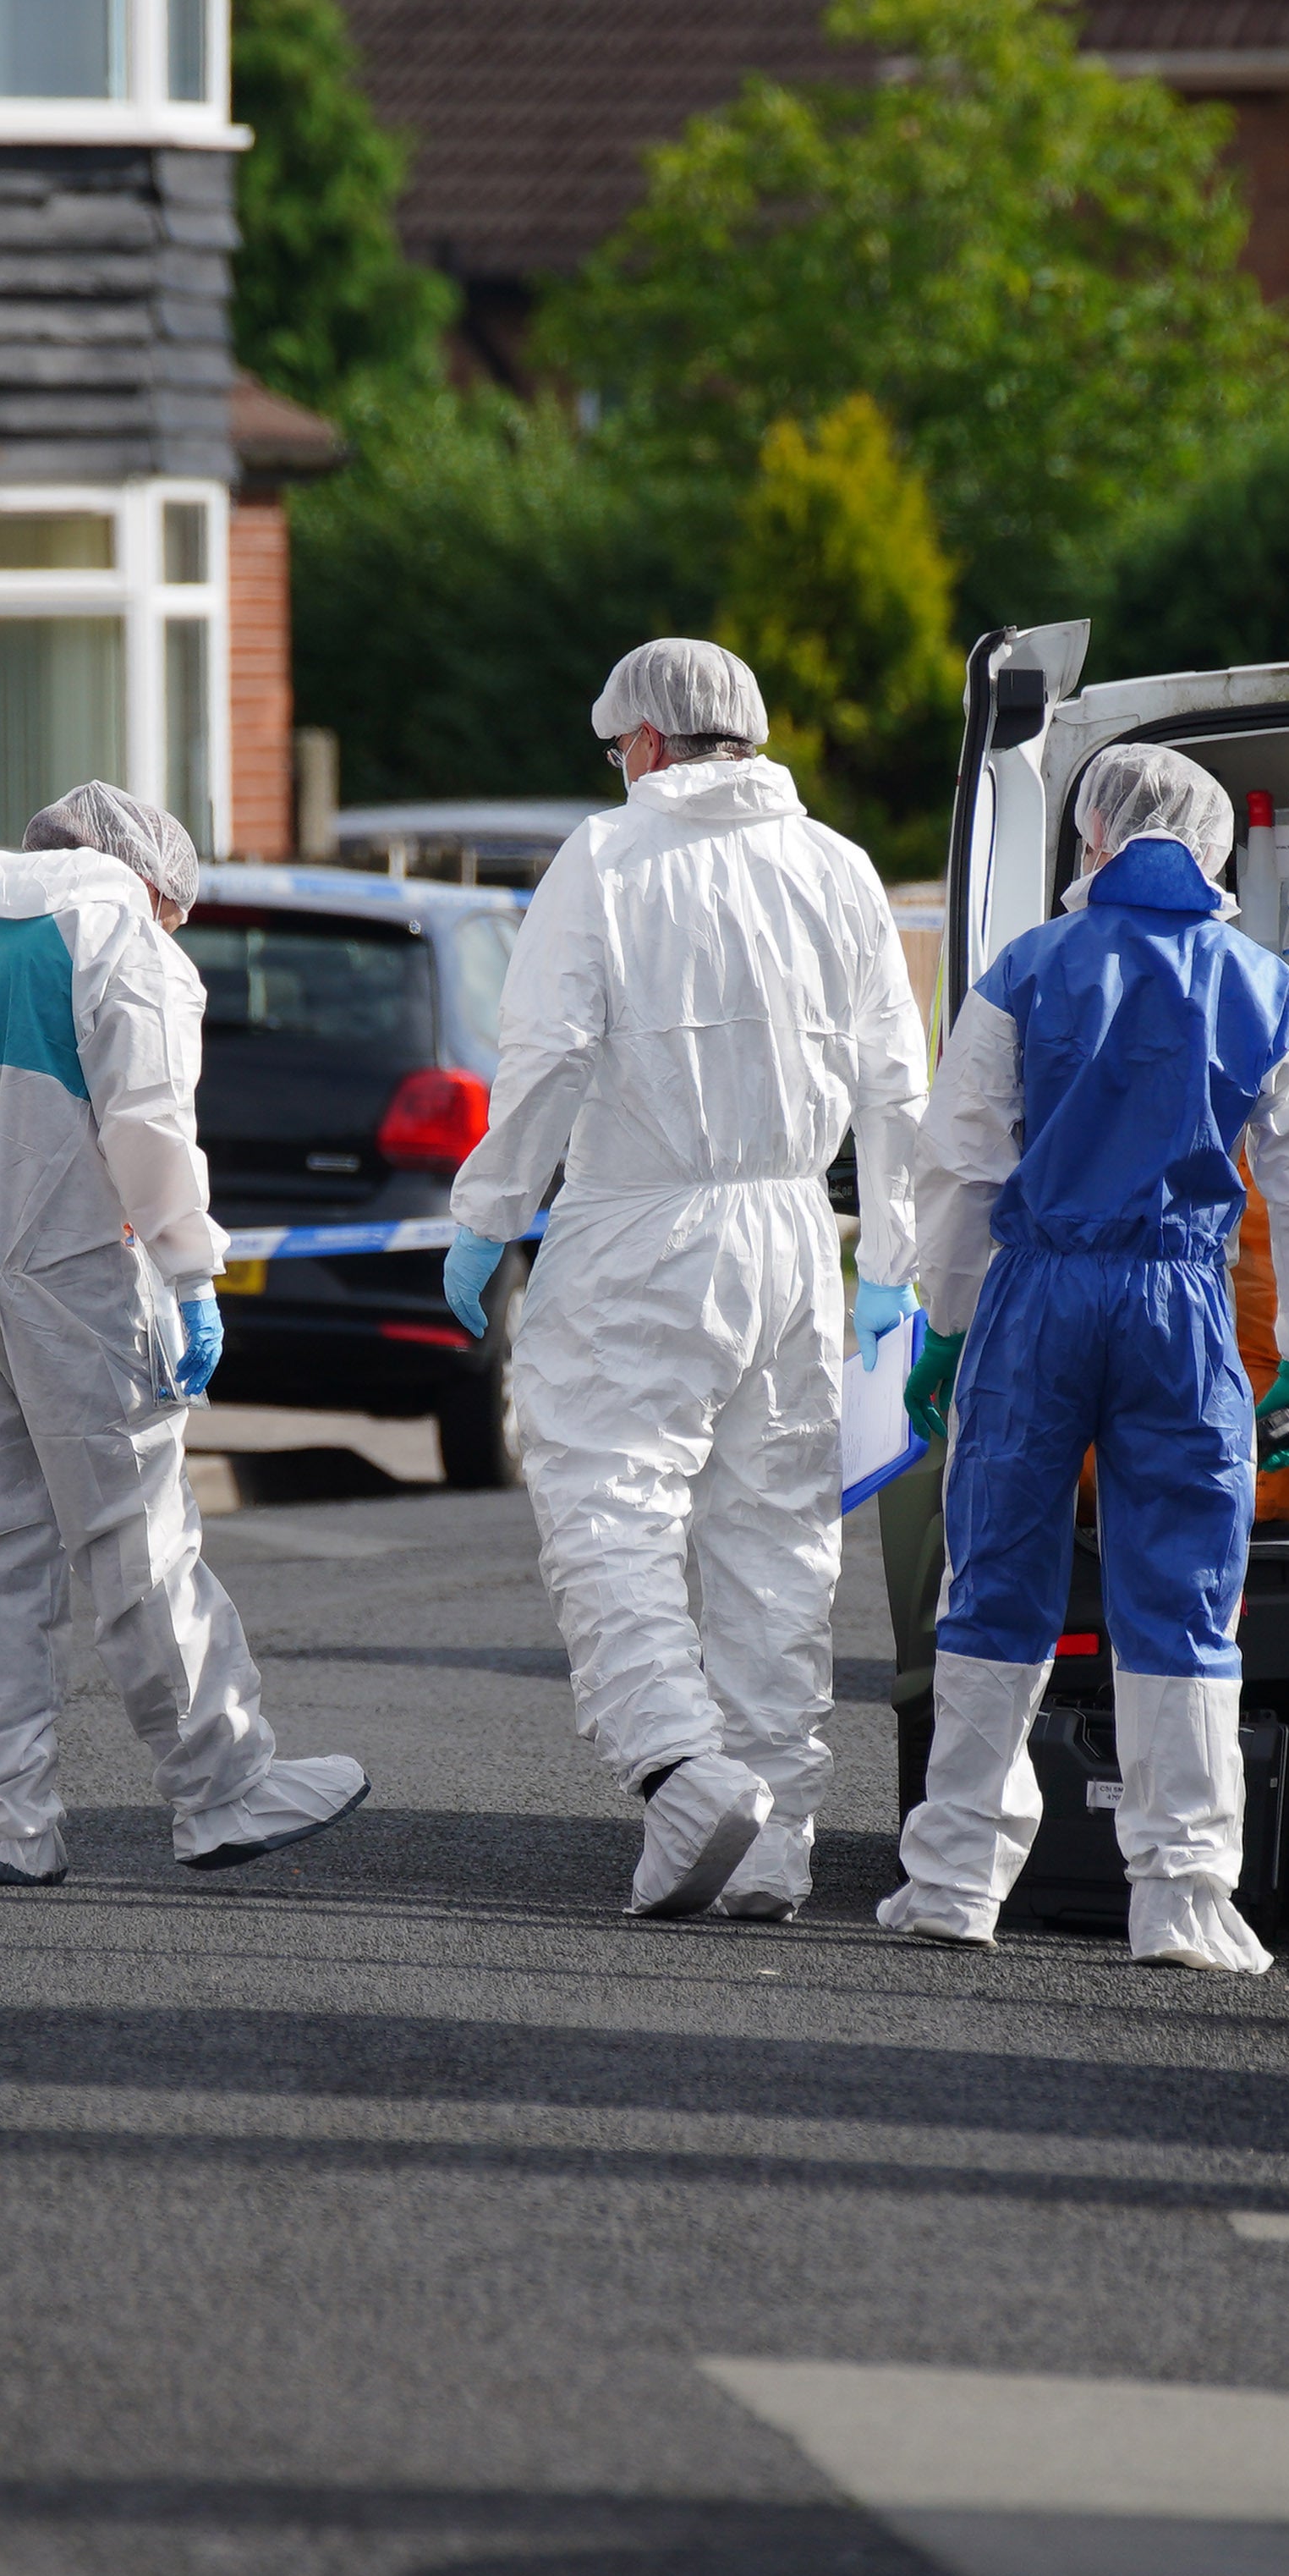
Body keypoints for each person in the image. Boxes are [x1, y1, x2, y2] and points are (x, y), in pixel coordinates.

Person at [439, 638, 929, 1923]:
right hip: (791, 1242)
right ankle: (773, 1843)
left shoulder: (605, 860)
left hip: (637, 1230)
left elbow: (545, 1056)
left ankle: (678, 1770)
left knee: (610, 1507)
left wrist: (486, 1216)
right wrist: (889, 1264)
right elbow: (895, 1089)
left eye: (617, 752)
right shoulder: (838, 867)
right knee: (777, 1543)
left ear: (645, 743)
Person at [875, 744, 1289, 1972]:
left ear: (1090, 836)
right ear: (1214, 845)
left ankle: (953, 1882)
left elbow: (962, 1163)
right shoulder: (1266, 988)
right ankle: (1182, 1899)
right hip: (1183, 1310)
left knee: (993, 1581)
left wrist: (945, 1327)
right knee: (1182, 1596)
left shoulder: (1024, 970)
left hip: (1035, 1299)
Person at [0, 781, 366, 1886]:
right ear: (151, 884)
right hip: (73, 1280)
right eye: (175, 913)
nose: (173, 931)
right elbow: (147, 1124)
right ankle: (221, 1790)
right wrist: (189, 1270)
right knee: (138, 1544)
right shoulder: (120, 937)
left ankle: (9, 1827)